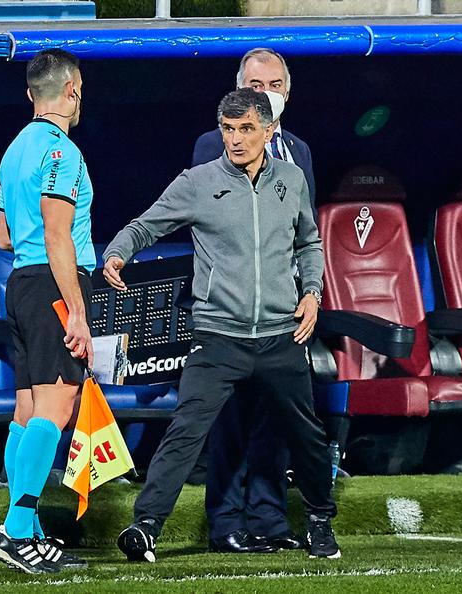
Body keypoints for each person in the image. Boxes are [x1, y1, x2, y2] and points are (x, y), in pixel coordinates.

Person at [106, 88, 340, 562]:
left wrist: (312, 293)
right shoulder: (197, 182)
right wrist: (117, 252)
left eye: (246, 129)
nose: (235, 140)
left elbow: (309, 244)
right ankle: (145, 527)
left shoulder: (292, 180)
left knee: (308, 435)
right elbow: (144, 225)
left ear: (269, 131)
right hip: (218, 338)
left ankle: (319, 521)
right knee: (186, 430)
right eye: (228, 130)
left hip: (280, 335)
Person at [190, 48, 314, 554]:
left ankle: (270, 520)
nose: (267, 93)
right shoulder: (209, 146)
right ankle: (225, 523)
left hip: (286, 310)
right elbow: (206, 223)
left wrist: (312, 292)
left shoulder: (300, 152)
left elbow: (309, 232)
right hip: (233, 312)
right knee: (231, 418)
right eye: (256, 84)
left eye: (276, 84)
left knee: (277, 418)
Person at [0, 48, 95, 574]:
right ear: (73, 90)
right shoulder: (62, 153)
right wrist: (76, 310)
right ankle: (16, 529)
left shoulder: (12, 151)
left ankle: (21, 531)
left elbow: (5, 236)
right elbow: (57, 233)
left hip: (21, 284)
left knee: (27, 411)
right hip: (53, 284)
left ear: (32, 94)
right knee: (57, 408)